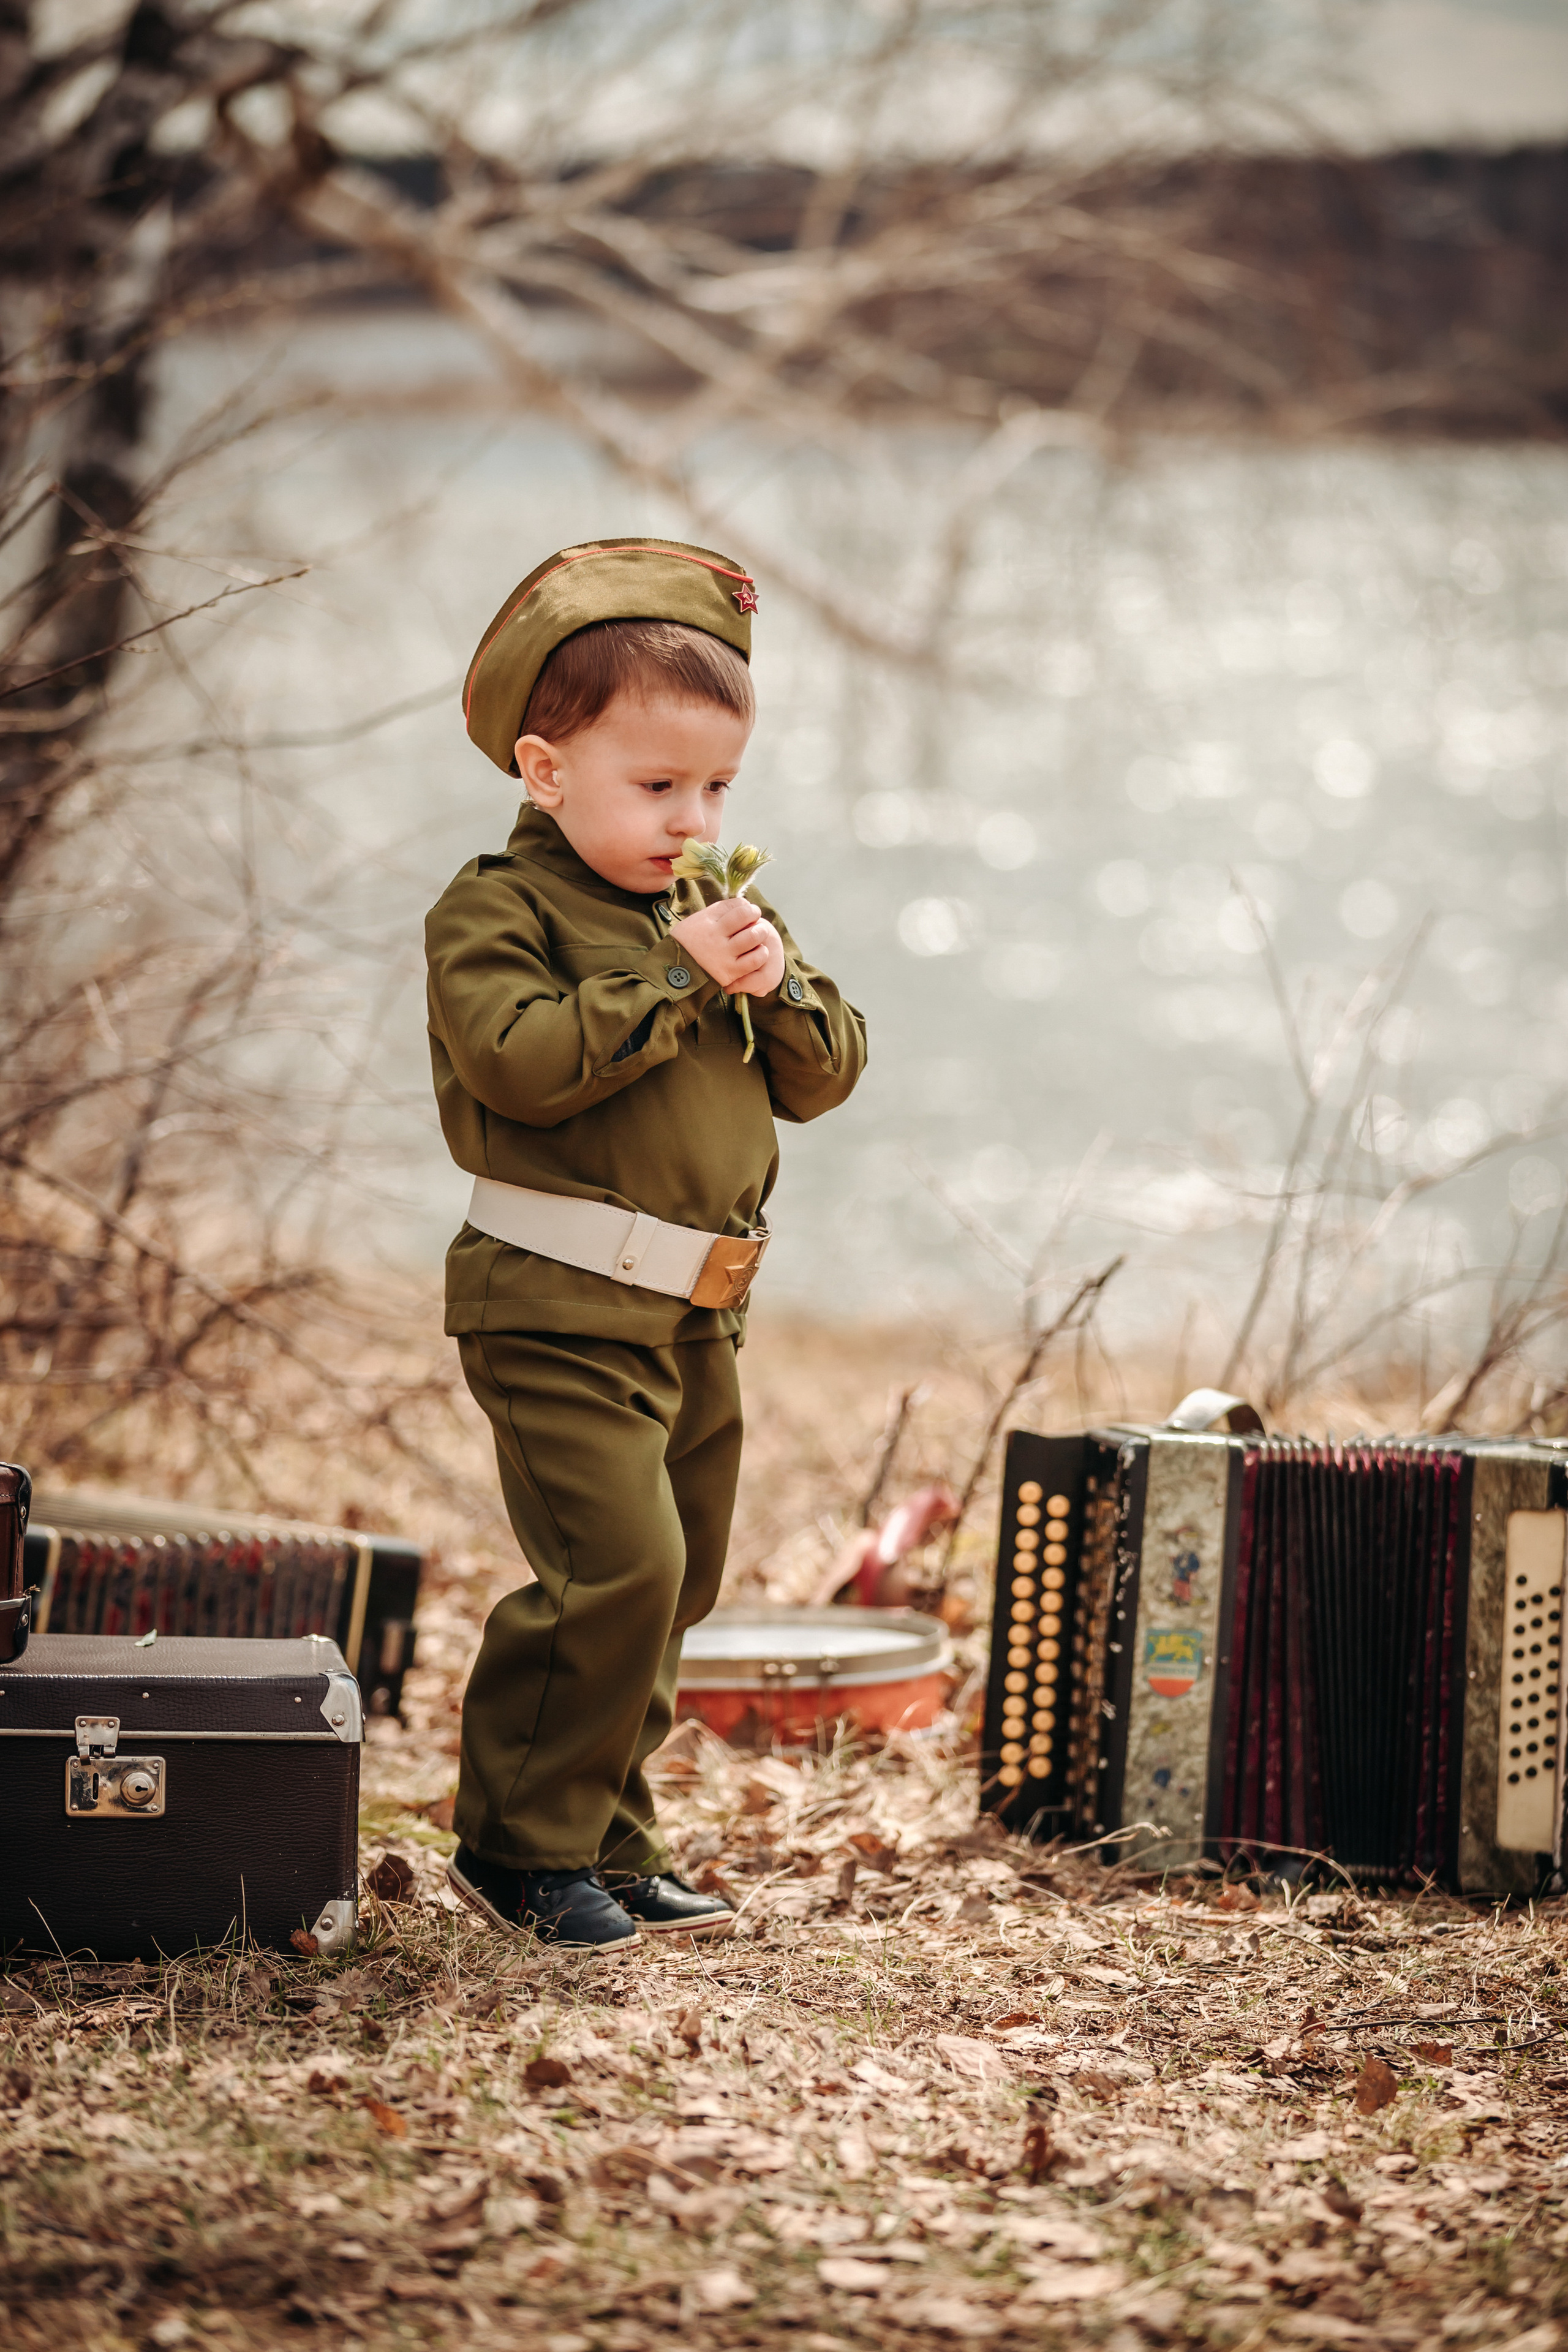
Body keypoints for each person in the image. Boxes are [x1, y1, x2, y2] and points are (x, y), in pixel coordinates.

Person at [426, 537, 868, 1951]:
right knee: (609, 1564)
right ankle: (516, 1848)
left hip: (695, 1314)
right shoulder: (497, 910)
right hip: (552, 1303)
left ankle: (608, 1838)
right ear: (547, 772)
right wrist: (671, 978)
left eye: (718, 787)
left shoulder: (713, 909)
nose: (692, 819)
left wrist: (775, 979)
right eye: (657, 786)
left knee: (679, 1573)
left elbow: (823, 1076)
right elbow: (525, 1063)